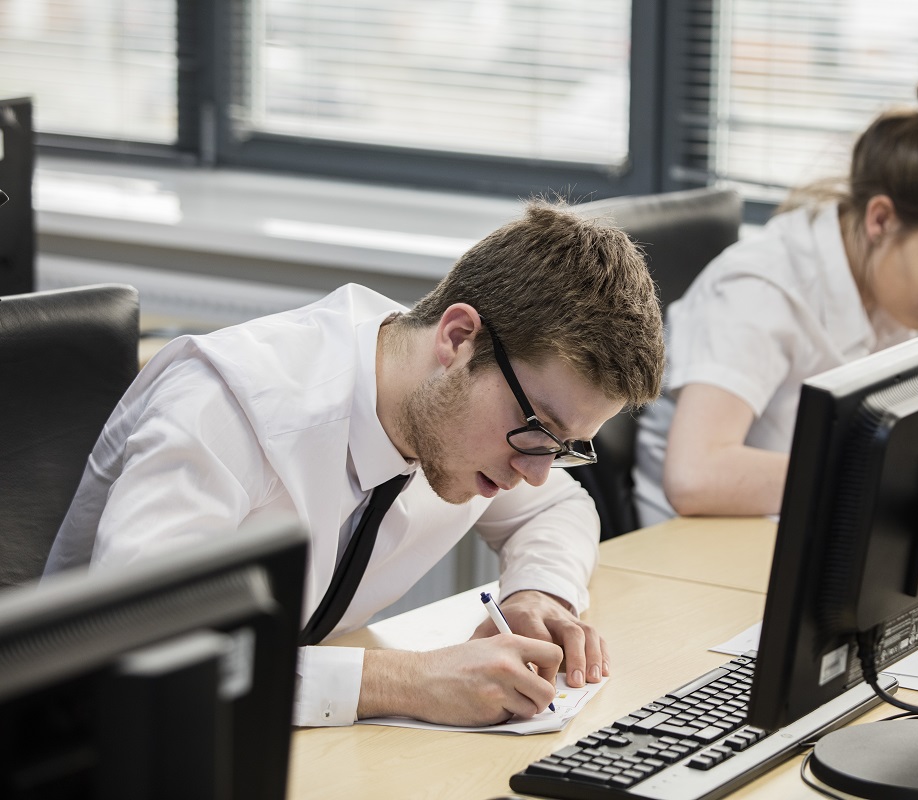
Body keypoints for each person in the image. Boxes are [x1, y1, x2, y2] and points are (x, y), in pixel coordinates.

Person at [44, 201, 665, 727]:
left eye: (564, 448)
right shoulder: (229, 408)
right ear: (456, 339)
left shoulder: (456, 416)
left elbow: (557, 504)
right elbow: (140, 649)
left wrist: (540, 591)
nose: (535, 470)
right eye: (538, 432)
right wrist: (407, 680)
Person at [634, 59, 918, 527]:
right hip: (701, 551)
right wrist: (880, 475)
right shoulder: (759, 291)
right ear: (881, 219)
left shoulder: (906, 300)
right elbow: (696, 478)